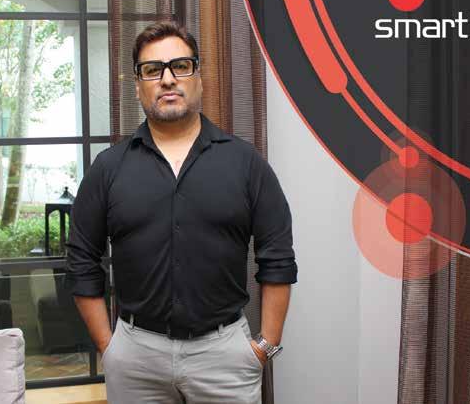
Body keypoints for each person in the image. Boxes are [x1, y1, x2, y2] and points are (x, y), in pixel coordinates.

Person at [65, 21, 297, 404]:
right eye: (152, 70)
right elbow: (81, 261)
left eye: (180, 66)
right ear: (138, 85)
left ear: (198, 77)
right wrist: (110, 348)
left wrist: (265, 346)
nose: (168, 79)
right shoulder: (108, 169)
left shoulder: (246, 164)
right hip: (135, 359)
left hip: (225, 358)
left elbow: (278, 259)